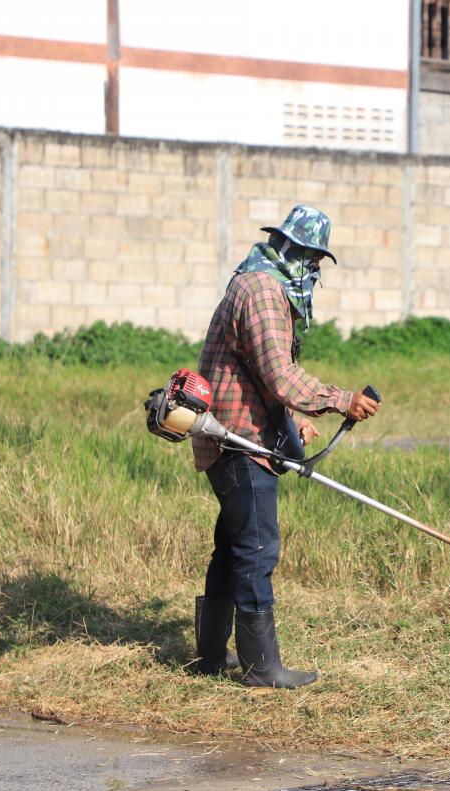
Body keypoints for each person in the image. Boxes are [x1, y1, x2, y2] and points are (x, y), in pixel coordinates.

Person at [190, 204, 379, 689]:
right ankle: (262, 668)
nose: (312, 270)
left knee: (232, 547)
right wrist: (341, 400)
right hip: (239, 441)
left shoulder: (256, 281)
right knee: (256, 549)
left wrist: (293, 420)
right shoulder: (263, 290)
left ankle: (211, 655)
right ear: (292, 249)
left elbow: (253, 372)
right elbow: (278, 374)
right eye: (310, 258)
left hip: (234, 433)